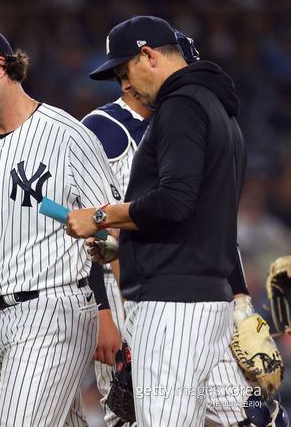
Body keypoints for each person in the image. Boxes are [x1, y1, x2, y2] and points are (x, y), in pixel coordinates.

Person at [83, 29, 279, 427]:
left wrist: (241, 303)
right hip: (126, 292)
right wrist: (102, 311)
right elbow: (87, 226)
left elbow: (215, 224)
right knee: (136, 415)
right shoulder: (101, 128)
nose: (125, 86)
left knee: (249, 415)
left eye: (125, 74)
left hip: (190, 294)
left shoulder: (195, 119)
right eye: (119, 77)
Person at [0, 25, 121, 427]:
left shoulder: (67, 136)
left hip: (56, 310)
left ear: (0, 67)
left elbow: (109, 229)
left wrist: (110, 314)